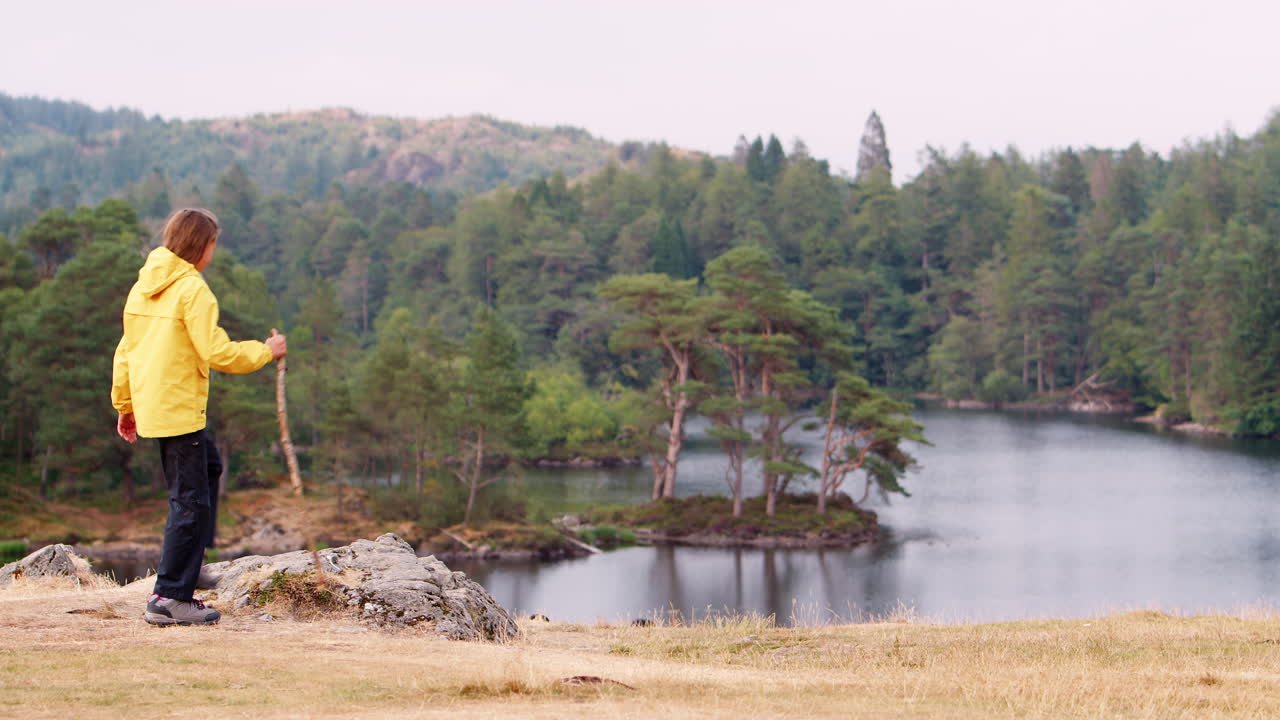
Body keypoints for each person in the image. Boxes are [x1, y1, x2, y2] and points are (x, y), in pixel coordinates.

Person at [111, 208, 286, 626]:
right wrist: (267, 351)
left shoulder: (143, 286)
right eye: (212, 244)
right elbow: (217, 352)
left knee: (209, 467)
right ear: (201, 245)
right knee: (188, 502)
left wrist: (126, 405)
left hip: (157, 406)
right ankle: (171, 598)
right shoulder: (192, 289)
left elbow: (126, 351)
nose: (213, 252)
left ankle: (191, 565)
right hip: (179, 412)